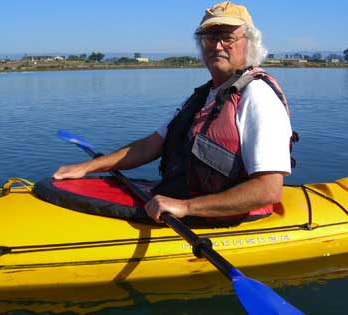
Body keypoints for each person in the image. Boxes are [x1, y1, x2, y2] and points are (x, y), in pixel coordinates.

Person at [53, 1, 292, 225]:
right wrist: (89, 167)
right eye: (210, 38)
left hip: (228, 216)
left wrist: (186, 207)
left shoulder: (257, 96)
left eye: (227, 38)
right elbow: (150, 146)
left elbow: (267, 190)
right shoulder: (204, 96)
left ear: (249, 43)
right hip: (186, 199)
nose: (218, 46)